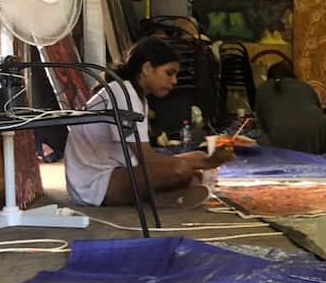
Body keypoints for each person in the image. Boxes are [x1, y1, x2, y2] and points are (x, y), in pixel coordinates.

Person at [64, 38, 230, 208]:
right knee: (182, 170)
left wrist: (200, 159)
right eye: (169, 73)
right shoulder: (123, 92)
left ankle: (167, 195)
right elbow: (146, 158)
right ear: (147, 68)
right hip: (93, 185)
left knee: (196, 161)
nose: (174, 81)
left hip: (117, 171)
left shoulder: (137, 97)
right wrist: (206, 162)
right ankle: (164, 196)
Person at [254, 59, 326, 155]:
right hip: (319, 131)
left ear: (269, 77)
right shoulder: (304, 86)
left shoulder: (262, 89)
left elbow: (262, 126)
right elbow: (318, 113)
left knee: (257, 143)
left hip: (283, 138)